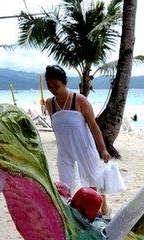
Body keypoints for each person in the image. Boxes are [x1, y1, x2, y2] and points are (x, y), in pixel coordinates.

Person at [44, 64, 112, 215]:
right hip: (64, 152)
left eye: (57, 85)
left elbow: (94, 127)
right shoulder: (49, 103)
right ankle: (72, 216)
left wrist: (103, 149)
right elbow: (56, 127)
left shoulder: (79, 100)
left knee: (93, 183)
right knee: (65, 187)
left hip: (84, 149)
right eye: (49, 86)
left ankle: (103, 208)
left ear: (65, 83)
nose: (53, 88)